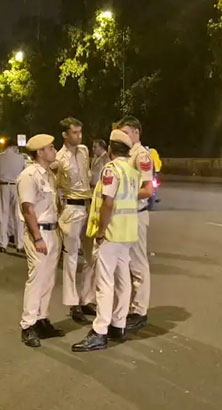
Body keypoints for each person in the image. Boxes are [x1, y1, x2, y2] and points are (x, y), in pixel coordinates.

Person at [72, 130, 140, 352]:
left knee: (104, 283)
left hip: (111, 233)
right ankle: (118, 325)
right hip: (127, 233)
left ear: (111, 149)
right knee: (123, 280)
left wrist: (101, 231)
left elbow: (108, 203)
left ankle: (99, 331)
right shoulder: (132, 171)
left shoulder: (111, 169)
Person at [17, 134, 65, 347]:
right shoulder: (29, 176)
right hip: (39, 233)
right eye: (50, 147)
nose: (54, 150)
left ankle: (42, 319)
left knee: (48, 279)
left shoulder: (48, 175)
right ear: (39, 152)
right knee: (36, 279)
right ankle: (28, 325)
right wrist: (37, 237)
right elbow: (28, 209)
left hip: (53, 231)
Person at [53, 117, 96, 324]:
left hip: (88, 206)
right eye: (75, 133)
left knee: (92, 255)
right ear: (65, 135)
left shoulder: (84, 151)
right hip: (71, 208)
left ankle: (87, 297)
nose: (79, 136)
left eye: (80, 132)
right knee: (71, 258)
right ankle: (72, 303)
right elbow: (55, 186)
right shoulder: (58, 158)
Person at [117, 116, 155, 332]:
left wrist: (123, 195)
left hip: (137, 214)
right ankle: (131, 308)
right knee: (127, 264)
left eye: (125, 133)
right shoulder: (127, 154)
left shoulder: (141, 156)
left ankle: (140, 311)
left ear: (136, 133)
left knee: (138, 264)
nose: (122, 137)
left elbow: (148, 190)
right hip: (126, 216)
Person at [0, 143, 25, 253]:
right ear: (14, 147)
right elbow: (23, 171)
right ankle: (20, 244)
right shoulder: (20, 157)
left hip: (3, 186)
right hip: (16, 186)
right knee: (18, 215)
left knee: (3, 214)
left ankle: (3, 243)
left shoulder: (0, 157)